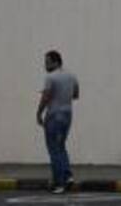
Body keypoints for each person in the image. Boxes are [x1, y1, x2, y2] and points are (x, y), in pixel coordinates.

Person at [36, 49, 79, 193]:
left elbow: (46, 97)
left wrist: (39, 113)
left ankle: (59, 184)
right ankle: (68, 177)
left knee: (54, 149)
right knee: (61, 147)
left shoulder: (50, 78)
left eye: (47, 62)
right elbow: (76, 94)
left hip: (54, 115)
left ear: (55, 62)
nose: (45, 65)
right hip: (67, 115)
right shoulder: (71, 75)